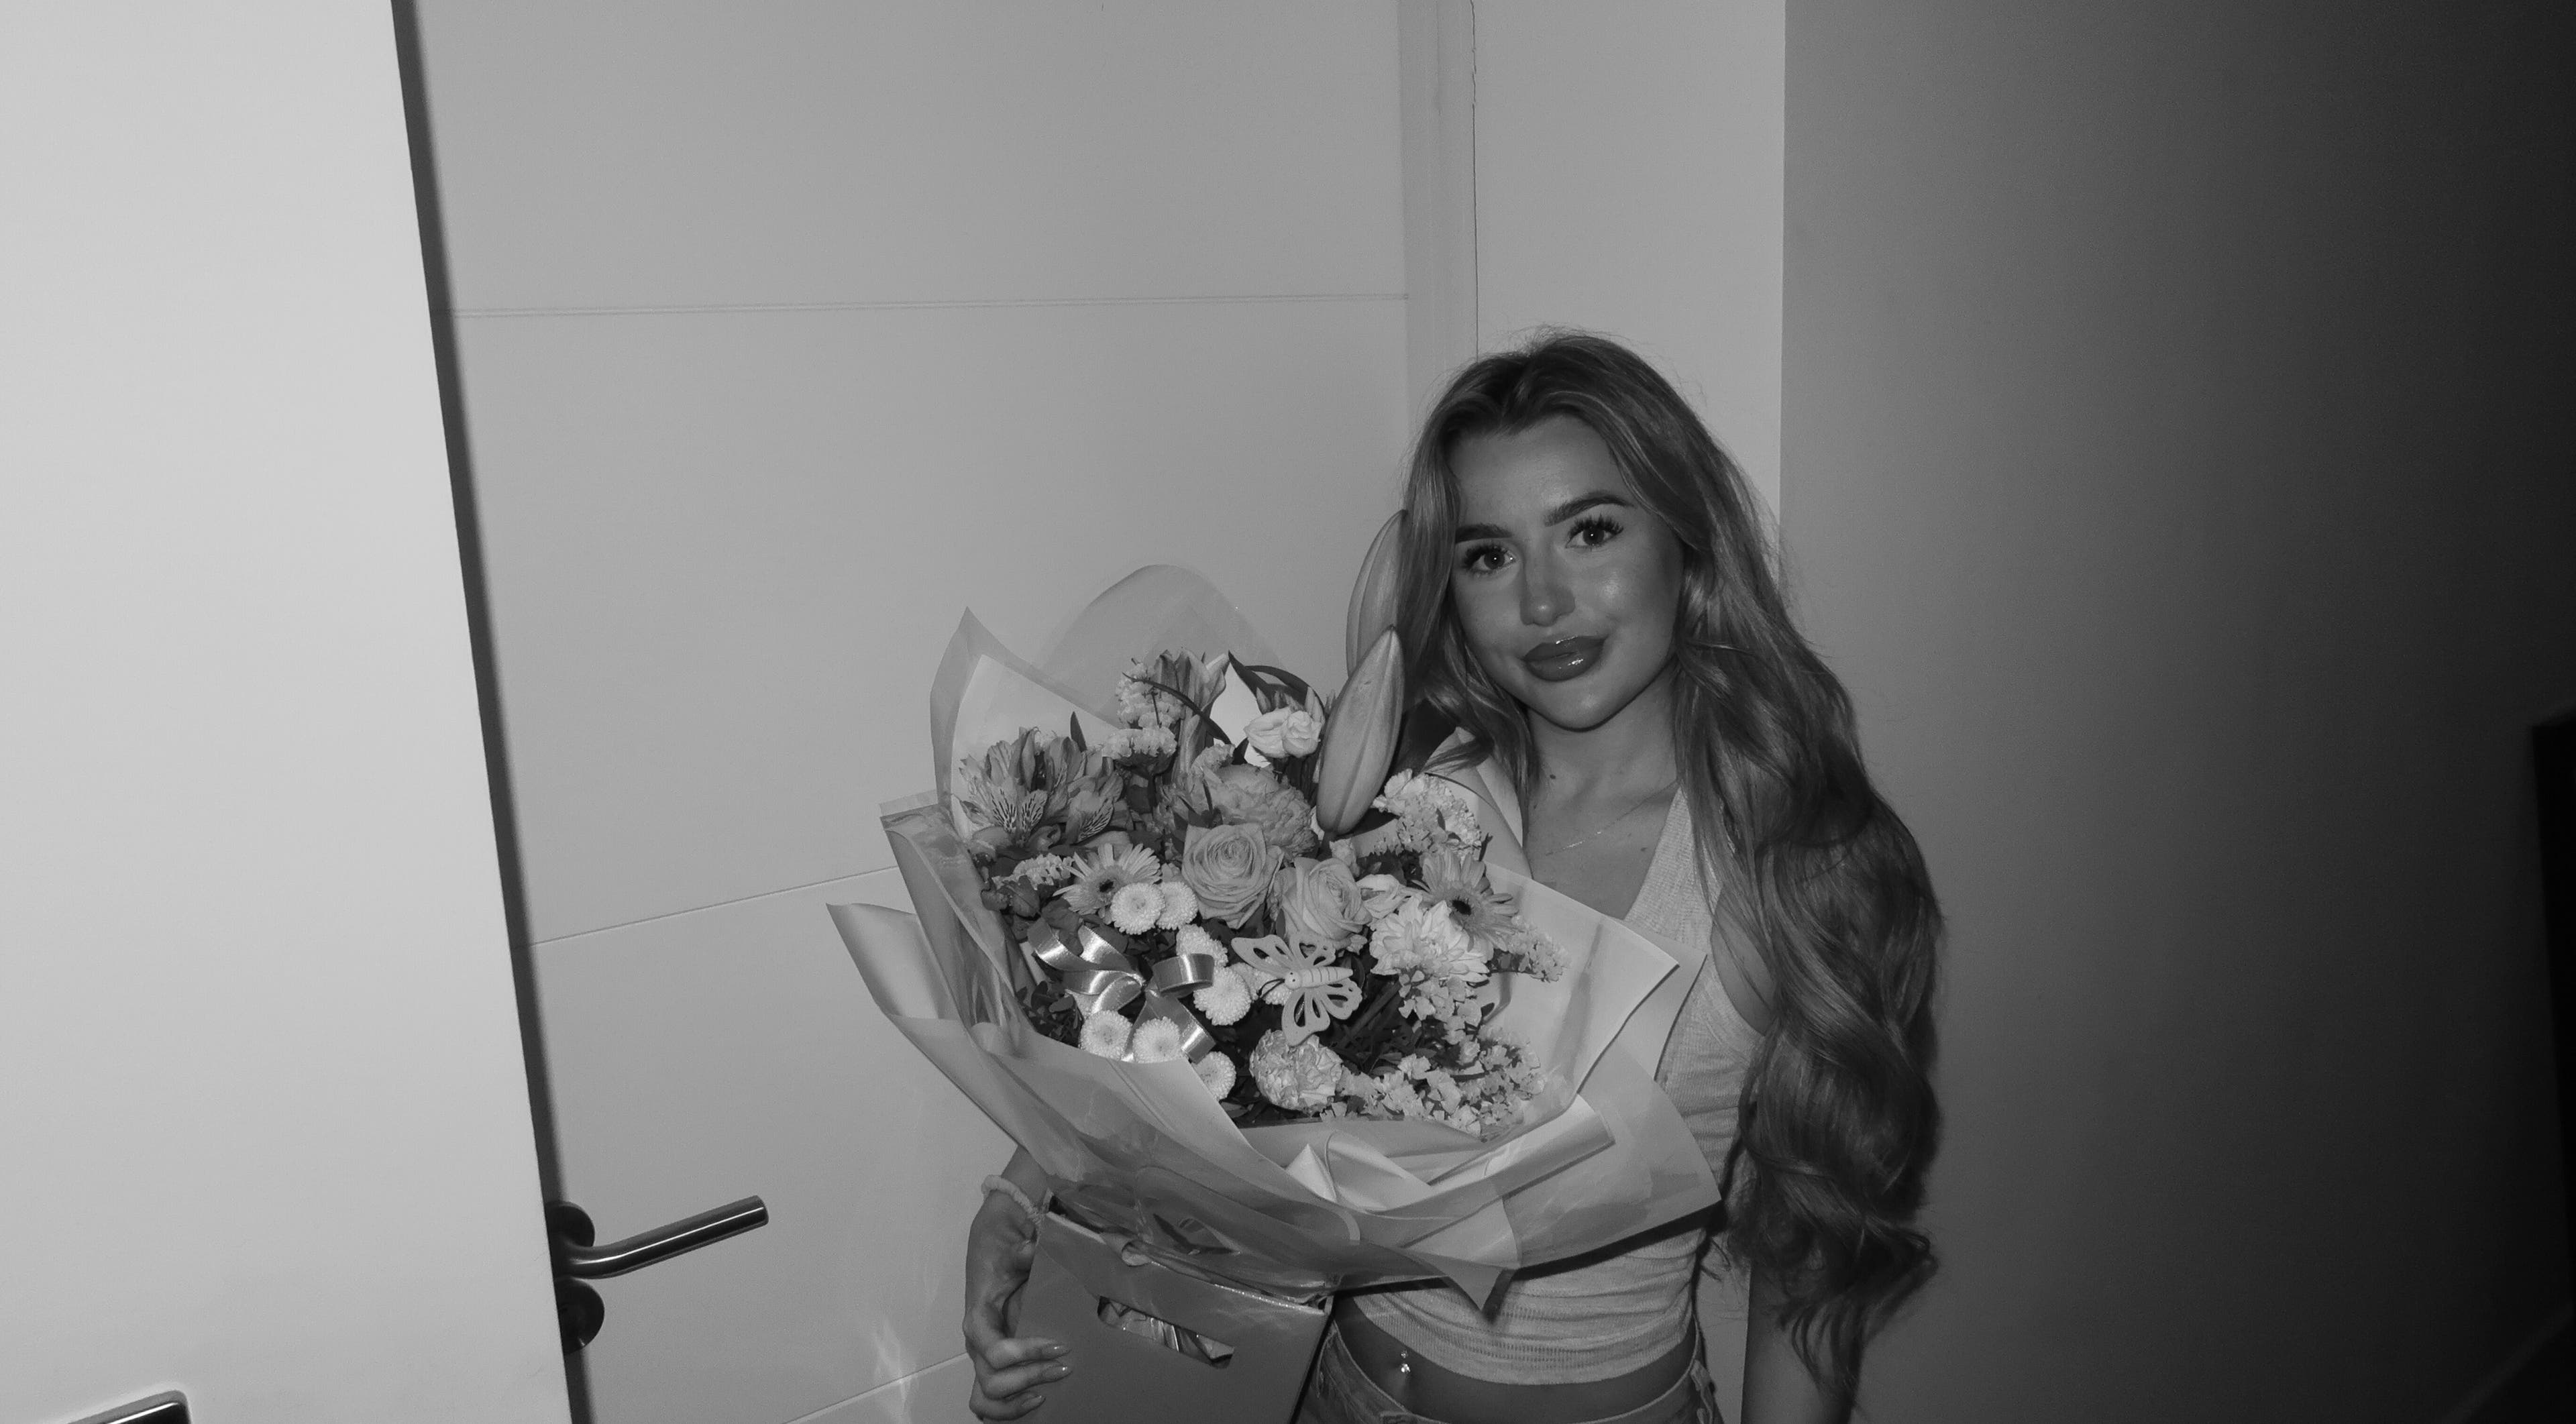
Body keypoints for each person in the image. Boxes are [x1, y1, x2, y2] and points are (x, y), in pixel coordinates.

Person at [960, 333, 1941, 1423]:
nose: (1544, 602)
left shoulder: (1791, 866)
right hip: (1333, 1395)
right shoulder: (1400, 791)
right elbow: (1183, 1028)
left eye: (1592, 531)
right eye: (1489, 556)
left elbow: (1812, 1268)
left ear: (1689, 541)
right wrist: (1019, 1196)